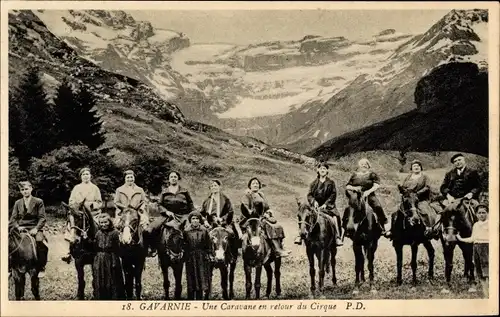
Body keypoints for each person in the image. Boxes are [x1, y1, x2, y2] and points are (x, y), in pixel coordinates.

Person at [143, 171, 195, 257]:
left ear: (178, 179)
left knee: (189, 231)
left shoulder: (184, 191)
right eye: (171, 177)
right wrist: (166, 211)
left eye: (175, 177)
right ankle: (153, 248)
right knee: (149, 230)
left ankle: (190, 251)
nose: (173, 178)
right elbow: (159, 204)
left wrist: (192, 214)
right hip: (166, 216)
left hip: (182, 215)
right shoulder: (164, 192)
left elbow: (190, 204)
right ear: (169, 179)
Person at [240, 177, 291, 258]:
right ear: (250, 185)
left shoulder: (261, 195)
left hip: (262, 218)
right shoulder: (247, 195)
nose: (255, 185)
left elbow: (267, 207)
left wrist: (268, 213)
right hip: (251, 219)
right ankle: (277, 249)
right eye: (253, 183)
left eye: (257, 183)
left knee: (278, 226)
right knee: (268, 226)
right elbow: (245, 208)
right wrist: (253, 213)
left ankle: (280, 246)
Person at [294, 162, 343, 246]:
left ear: (327, 171)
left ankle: (337, 237)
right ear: (318, 170)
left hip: (328, 207)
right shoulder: (313, 183)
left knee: (335, 217)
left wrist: (326, 204)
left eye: (324, 168)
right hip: (315, 207)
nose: (322, 170)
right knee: (304, 216)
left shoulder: (331, 183)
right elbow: (309, 195)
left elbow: (333, 194)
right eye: (321, 168)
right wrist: (314, 202)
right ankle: (300, 235)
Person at [61, 167, 103, 264]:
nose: (85, 176)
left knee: (101, 226)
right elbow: (71, 201)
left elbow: (99, 202)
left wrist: (92, 205)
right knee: (71, 225)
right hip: (79, 213)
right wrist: (76, 205)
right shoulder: (77, 188)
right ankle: (69, 251)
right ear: (81, 177)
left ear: (90, 176)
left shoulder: (95, 188)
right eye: (83, 175)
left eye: (87, 174)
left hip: (92, 213)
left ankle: (101, 248)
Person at [433, 153, 482, 234]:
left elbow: (478, 186)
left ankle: (480, 230)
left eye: (459, 160)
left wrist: (471, 193)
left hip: (468, 199)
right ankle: (436, 230)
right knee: (441, 211)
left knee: (478, 209)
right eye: (455, 161)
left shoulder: (473, 172)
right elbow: (443, 187)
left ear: (464, 160)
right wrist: (448, 195)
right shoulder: (449, 173)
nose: (457, 162)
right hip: (452, 199)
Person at [9, 181, 48, 278]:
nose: (25, 191)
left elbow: (42, 218)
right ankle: (9, 267)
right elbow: (13, 219)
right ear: (20, 191)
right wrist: (18, 227)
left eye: (26, 189)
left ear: (31, 189)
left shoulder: (39, 201)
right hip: (20, 228)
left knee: (40, 242)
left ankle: (41, 266)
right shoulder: (18, 203)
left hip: (34, 227)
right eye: (22, 190)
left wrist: (36, 228)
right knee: (8, 242)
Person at [345, 158, 390, 237]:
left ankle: (383, 227)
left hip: (369, 195)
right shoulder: (354, 175)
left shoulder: (372, 174)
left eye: (366, 164)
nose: (364, 165)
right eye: (362, 164)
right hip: (356, 197)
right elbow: (348, 186)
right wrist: (354, 188)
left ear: (368, 166)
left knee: (377, 206)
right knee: (348, 209)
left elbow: (376, 185)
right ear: (359, 166)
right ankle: (345, 228)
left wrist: (368, 192)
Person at [92, 213, 125, 300]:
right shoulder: (98, 233)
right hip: (99, 259)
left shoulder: (114, 233)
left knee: (112, 278)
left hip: (111, 258)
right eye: (101, 223)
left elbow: (117, 248)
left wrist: (114, 261)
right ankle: (101, 297)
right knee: (100, 278)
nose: (103, 225)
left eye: (105, 222)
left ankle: (113, 297)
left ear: (109, 222)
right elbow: (94, 246)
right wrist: (86, 239)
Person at [457, 204, 489, 294]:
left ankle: (489, 290)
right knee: (478, 268)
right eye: (479, 213)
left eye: (484, 213)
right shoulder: (475, 225)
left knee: (486, 267)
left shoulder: (490, 224)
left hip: (486, 246)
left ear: (487, 213)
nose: (481, 215)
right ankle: (484, 290)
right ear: (476, 214)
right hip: (476, 247)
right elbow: (472, 238)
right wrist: (460, 238)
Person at [398, 160, 437, 234]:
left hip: (421, 199)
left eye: (418, 166)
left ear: (420, 167)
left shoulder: (425, 176)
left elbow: (427, 187)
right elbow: (403, 187)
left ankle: (429, 228)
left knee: (425, 211)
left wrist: (417, 193)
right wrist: (403, 191)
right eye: (414, 166)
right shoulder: (408, 177)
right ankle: (395, 230)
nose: (416, 167)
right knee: (399, 211)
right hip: (409, 198)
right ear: (411, 168)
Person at [184, 211, 212, 300]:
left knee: (200, 278)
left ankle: (199, 298)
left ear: (200, 220)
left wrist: (208, 254)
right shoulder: (186, 231)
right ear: (190, 220)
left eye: (197, 219)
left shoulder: (204, 230)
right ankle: (191, 298)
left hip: (201, 257)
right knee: (191, 278)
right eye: (193, 219)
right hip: (190, 257)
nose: (195, 221)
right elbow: (184, 245)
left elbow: (208, 244)